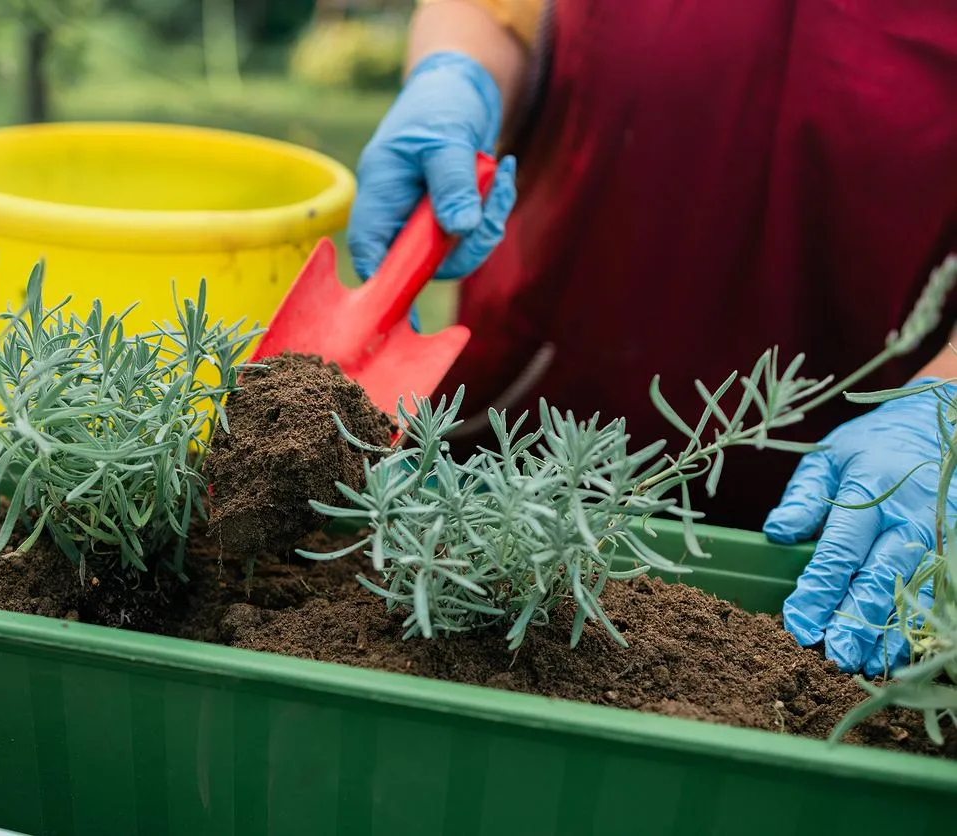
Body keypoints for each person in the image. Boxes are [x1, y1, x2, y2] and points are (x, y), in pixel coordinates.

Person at [346, 0, 957, 677]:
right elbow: (497, 13)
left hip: (830, 505)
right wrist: (459, 76)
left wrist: (947, 400)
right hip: (512, 440)